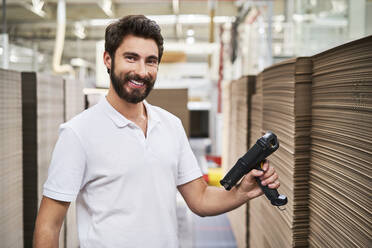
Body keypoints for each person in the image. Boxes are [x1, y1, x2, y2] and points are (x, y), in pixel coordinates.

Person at [33, 15, 281, 248]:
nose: (142, 71)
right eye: (131, 58)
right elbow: (48, 226)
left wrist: (242, 192)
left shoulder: (170, 125)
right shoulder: (78, 134)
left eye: (150, 61)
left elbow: (200, 199)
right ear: (108, 59)